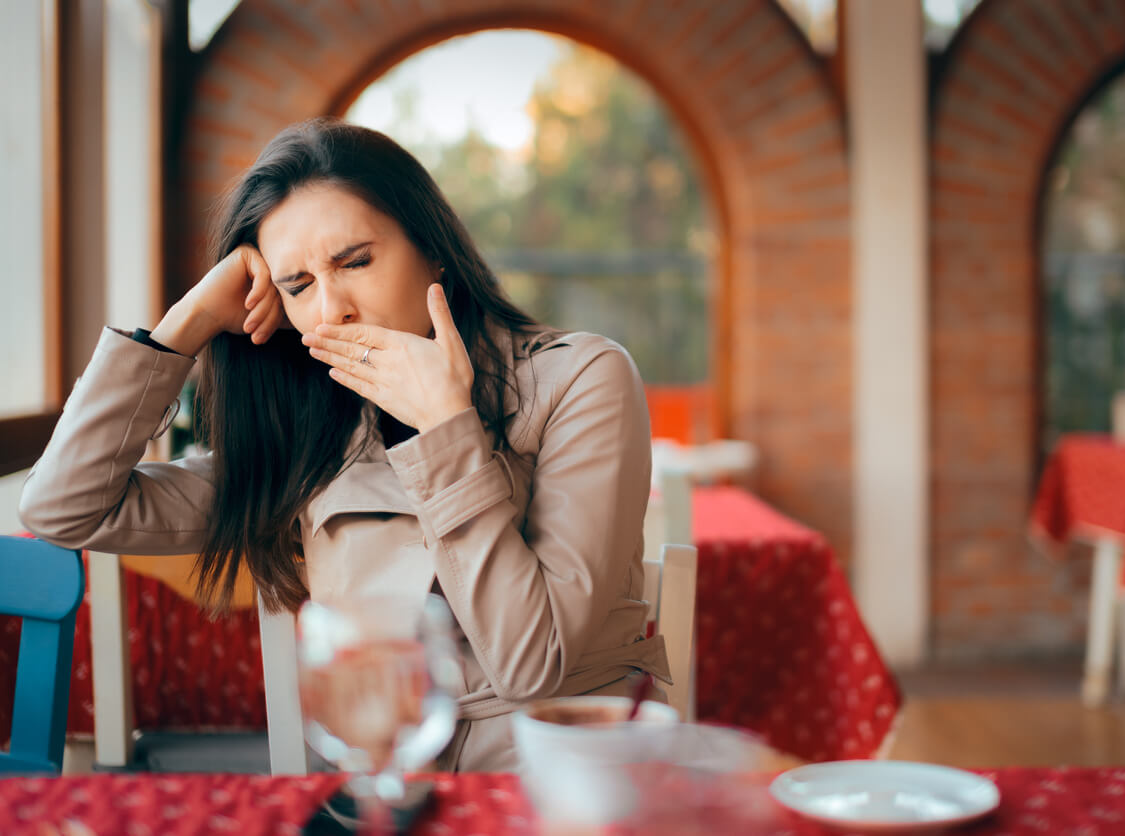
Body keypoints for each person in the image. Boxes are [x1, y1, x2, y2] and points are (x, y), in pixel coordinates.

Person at [18, 118, 670, 771]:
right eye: (297, 286)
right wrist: (182, 328)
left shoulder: (580, 377)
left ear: (433, 246)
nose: (330, 311)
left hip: (553, 781)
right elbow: (62, 507)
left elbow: (533, 665)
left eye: (354, 262)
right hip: (372, 785)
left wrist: (442, 426)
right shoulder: (311, 425)